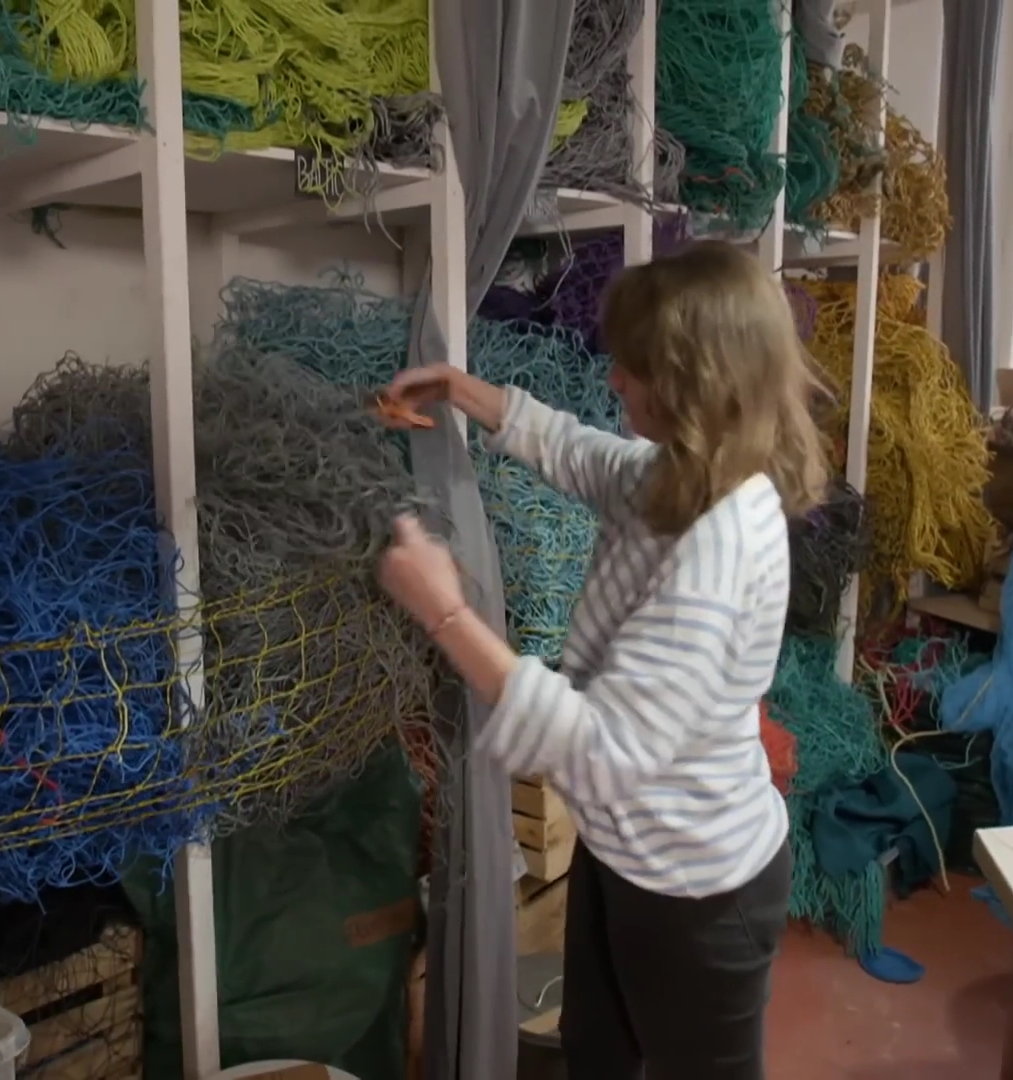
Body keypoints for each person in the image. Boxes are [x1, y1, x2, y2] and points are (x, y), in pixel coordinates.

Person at [372, 240, 828, 1080]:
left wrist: (445, 613)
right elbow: (586, 456)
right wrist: (465, 392)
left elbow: (604, 749)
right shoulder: (683, 471)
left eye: (635, 368)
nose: (614, 379)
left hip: (699, 888)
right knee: (597, 1054)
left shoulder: (720, 546)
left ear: (694, 385)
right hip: (627, 852)